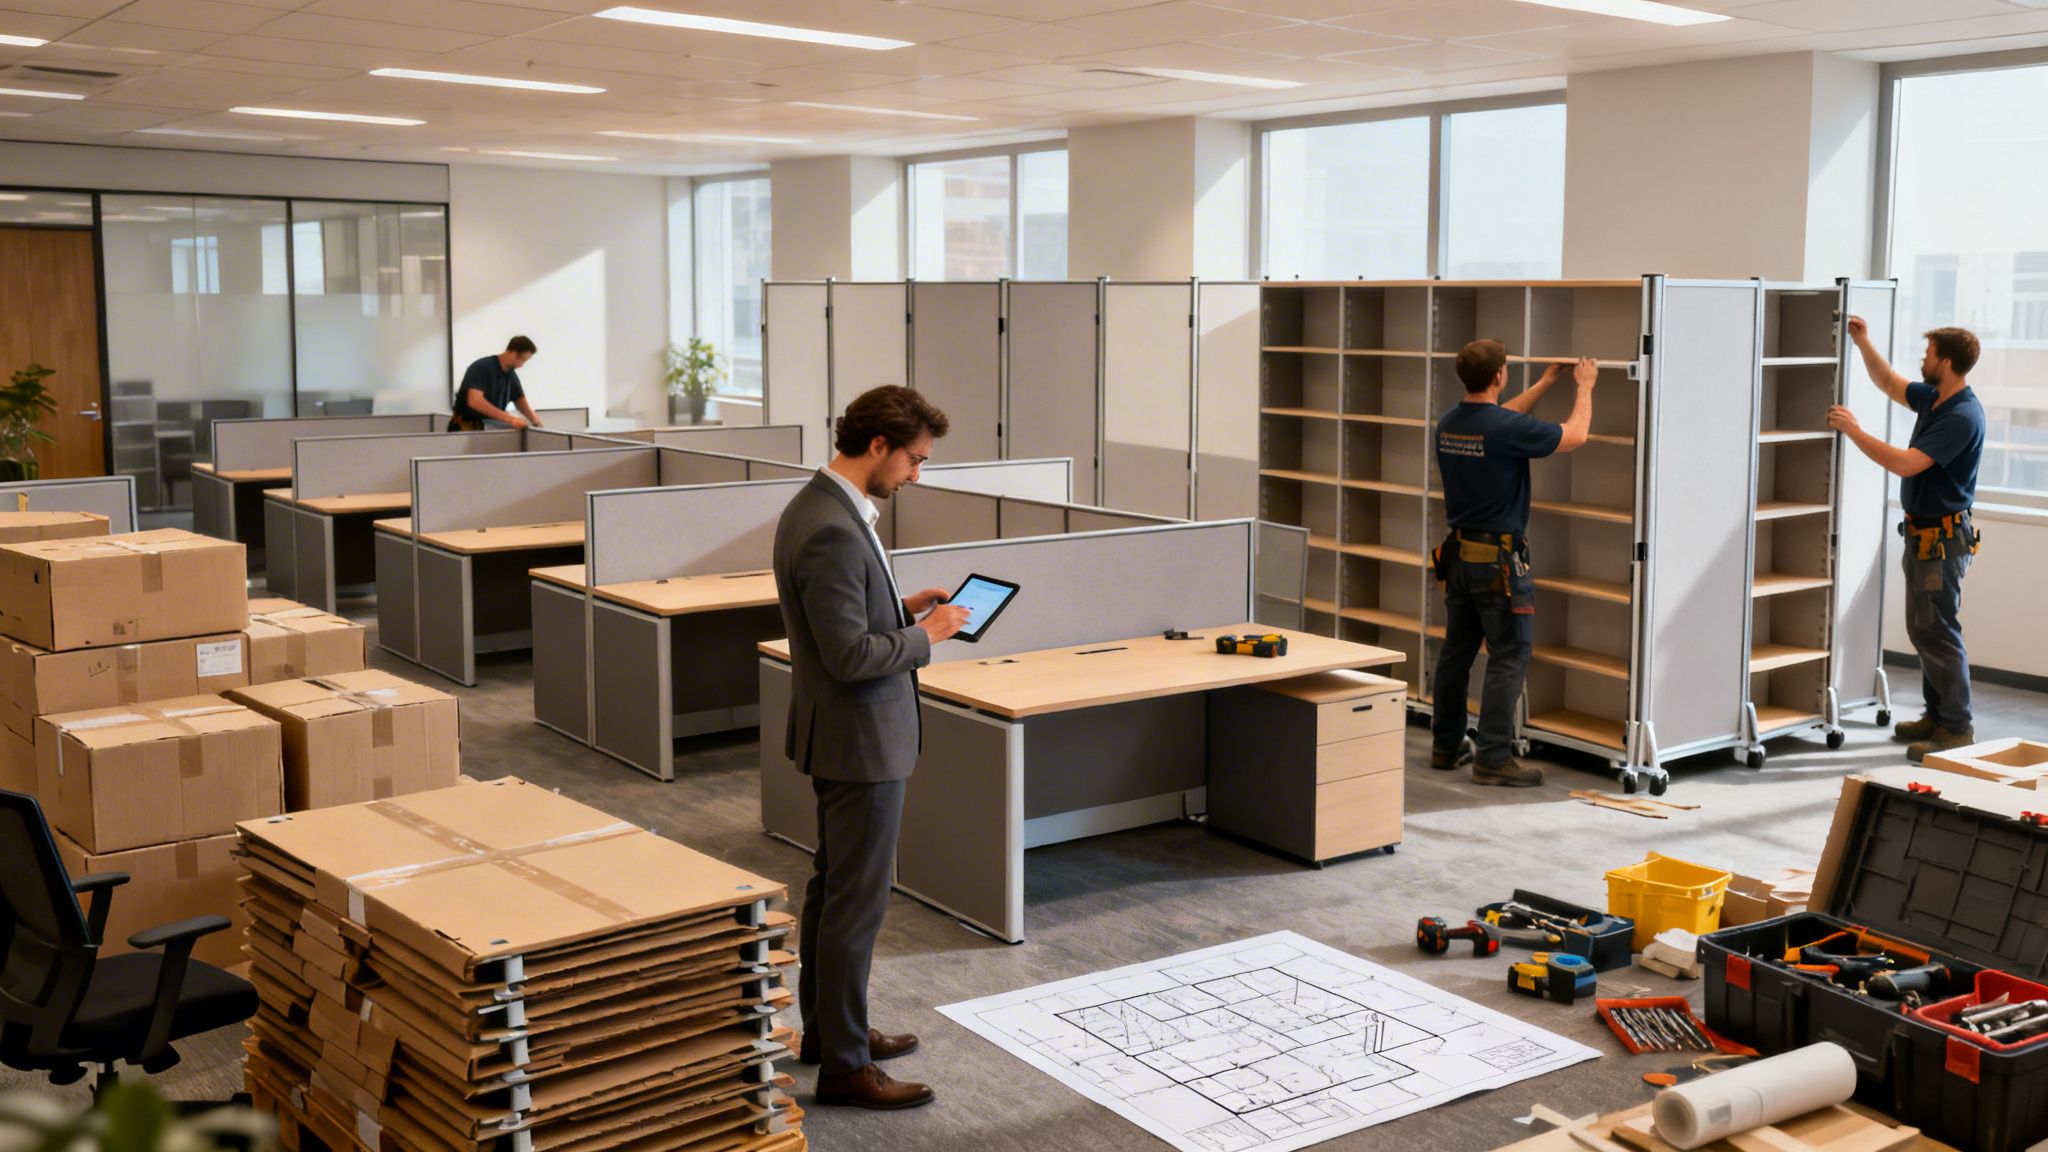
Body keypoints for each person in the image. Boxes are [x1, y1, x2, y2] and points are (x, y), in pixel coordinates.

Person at [772, 384, 967, 1111]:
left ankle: (829, 1033)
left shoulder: (828, 507)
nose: (918, 473)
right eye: (914, 459)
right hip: (860, 738)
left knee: (835, 892)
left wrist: (902, 607)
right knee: (858, 903)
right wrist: (928, 636)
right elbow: (849, 655)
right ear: (877, 446)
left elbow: (848, 618)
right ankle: (848, 1068)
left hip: (847, 734)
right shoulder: (829, 524)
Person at [1430, 342, 1598, 787]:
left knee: (1457, 653)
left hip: (1461, 559)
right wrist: (1585, 386)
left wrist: (1544, 383)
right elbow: (1576, 434)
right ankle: (1493, 757)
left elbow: (1504, 420)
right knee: (1509, 656)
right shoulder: (1501, 428)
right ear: (1500, 376)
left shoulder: (1449, 423)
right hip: (1499, 566)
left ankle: (1447, 746)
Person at [1829, 320, 1986, 763]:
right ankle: (1937, 717)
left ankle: (1956, 728)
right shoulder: (1938, 399)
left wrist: (1854, 430)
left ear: (1947, 362)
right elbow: (1888, 381)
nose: (1923, 359)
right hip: (1926, 538)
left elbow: (1906, 464)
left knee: (1937, 632)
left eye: (1930, 352)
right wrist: (1863, 341)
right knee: (1925, 629)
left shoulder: (1960, 416)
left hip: (1941, 542)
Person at [449, 336, 542, 431]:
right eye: (523, 360)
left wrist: (536, 422)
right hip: (465, 428)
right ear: (513, 354)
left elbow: (520, 401)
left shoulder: (511, 375)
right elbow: (475, 401)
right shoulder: (482, 367)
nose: (522, 365)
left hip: (489, 428)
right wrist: (510, 419)